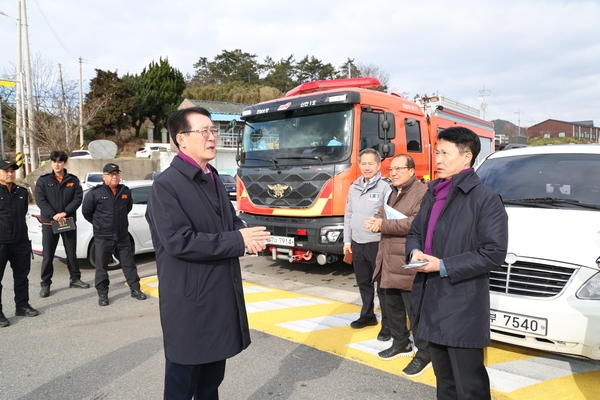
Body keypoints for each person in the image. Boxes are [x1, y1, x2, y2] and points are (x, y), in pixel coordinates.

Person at [145, 106, 271, 400]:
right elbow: (179, 241)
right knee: (182, 385)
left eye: (213, 130)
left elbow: (229, 221)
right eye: (204, 131)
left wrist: (247, 236)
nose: (212, 136)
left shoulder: (212, 175)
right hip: (190, 304)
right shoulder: (166, 186)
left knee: (211, 383)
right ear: (182, 139)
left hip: (219, 297)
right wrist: (236, 240)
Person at [406, 127, 508, 399]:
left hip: (461, 304)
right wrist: (414, 251)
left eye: (445, 153)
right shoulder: (434, 192)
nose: (438, 159)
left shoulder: (485, 199)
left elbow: (493, 252)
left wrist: (443, 265)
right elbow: (416, 232)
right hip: (431, 299)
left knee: (469, 385)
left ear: (467, 157)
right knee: (445, 382)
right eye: (437, 152)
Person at [366, 154, 431, 377]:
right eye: (390, 169)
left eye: (398, 169)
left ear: (412, 170)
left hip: (406, 259)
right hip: (387, 258)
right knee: (391, 304)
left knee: (415, 309)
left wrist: (383, 224)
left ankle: (424, 352)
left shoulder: (422, 192)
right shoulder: (393, 191)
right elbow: (382, 213)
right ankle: (400, 342)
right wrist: (376, 220)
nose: (392, 173)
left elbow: (416, 223)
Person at [82, 163, 147, 306]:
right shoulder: (95, 193)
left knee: (129, 264)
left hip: (122, 236)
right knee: (101, 267)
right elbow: (87, 212)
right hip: (103, 237)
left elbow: (127, 208)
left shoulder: (125, 191)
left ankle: (135, 289)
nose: (115, 176)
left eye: (117, 174)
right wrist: (99, 224)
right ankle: (103, 294)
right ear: (104, 176)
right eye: (111, 174)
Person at [343, 148, 391, 340]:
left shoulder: (385, 187)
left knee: (383, 286)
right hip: (357, 242)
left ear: (379, 165)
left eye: (371, 163)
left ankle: (388, 325)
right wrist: (347, 240)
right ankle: (368, 315)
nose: (367, 167)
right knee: (363, 283)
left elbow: (390, 215)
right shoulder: (353, 186)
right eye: (363, 163)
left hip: (377, 243)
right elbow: (348, 215)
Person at [35, 150, 90, 297]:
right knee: (48, 255)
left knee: (71, 253)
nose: (56, 164)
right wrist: (54, 215)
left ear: (65, 163)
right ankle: (45, 284)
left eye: (59, 161)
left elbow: (78, 199)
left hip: (68, 221)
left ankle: (75, 279)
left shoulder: (73, 180)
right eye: (54, 161)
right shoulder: (43, 181)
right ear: (51, 163)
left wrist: (64, 213)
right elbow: (41, 200)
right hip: (49, 223)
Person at [0, 160, 38, 327]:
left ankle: (22, 305)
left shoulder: (21, 192)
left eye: (12, 171)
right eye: (6, 171)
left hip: (20, 242)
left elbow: (23, 213)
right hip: (1, 243)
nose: (10, 174)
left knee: (22, 277)